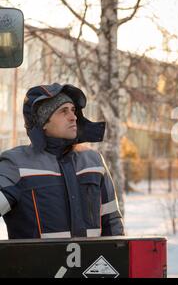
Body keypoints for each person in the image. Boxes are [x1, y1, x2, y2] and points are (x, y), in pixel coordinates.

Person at [0, 83, 124, 239]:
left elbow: (112, 223)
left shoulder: (93, 161)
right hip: (34, 263)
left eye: (73, 110)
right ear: (43, 122)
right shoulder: (16, 164)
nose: (73, 116)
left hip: (91, 262)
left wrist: (117, 258)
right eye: (63, 111)